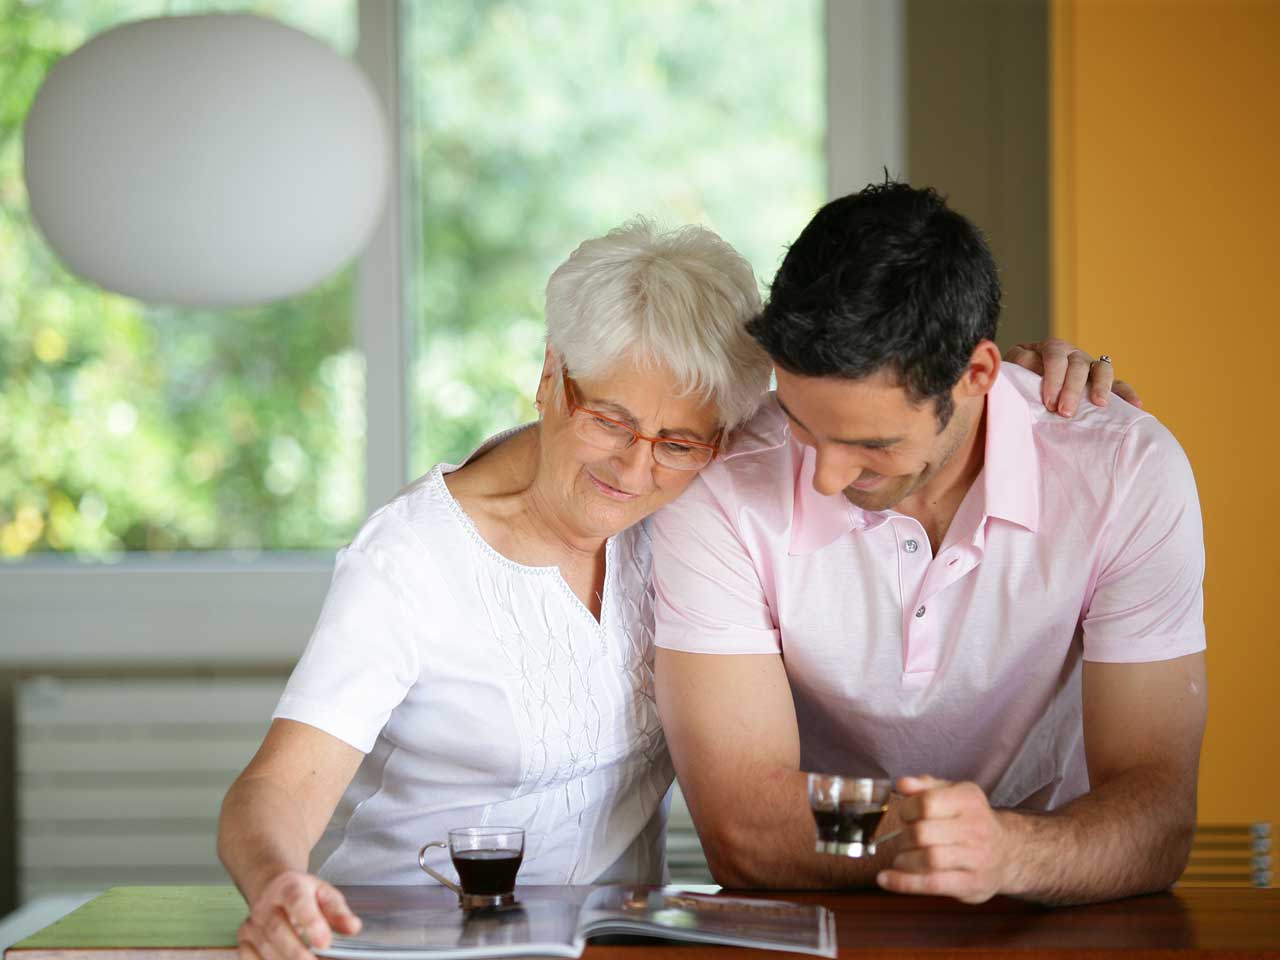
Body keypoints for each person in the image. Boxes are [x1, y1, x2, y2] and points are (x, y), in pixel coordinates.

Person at [218, 216, 1126, 960]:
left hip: (608, 946)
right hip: (406, 942)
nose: (634, 468)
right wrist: (279, 884)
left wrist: (1017, 385)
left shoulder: (689, 517)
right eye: (608, 417)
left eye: (680, 441)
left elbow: (892, 395)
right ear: (550, 377)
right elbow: (277, 790)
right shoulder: (413, 558)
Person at [652, 182, 1204, 908]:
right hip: (823, 916)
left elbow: (1158, 811)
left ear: (978, 374)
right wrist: (957, 843)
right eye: (802, 424)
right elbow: (745, 829)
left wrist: (1012, 855)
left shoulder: (1126, 471)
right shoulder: (722, 485)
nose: (824, 477)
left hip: (1051, 905)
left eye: (871, 444)